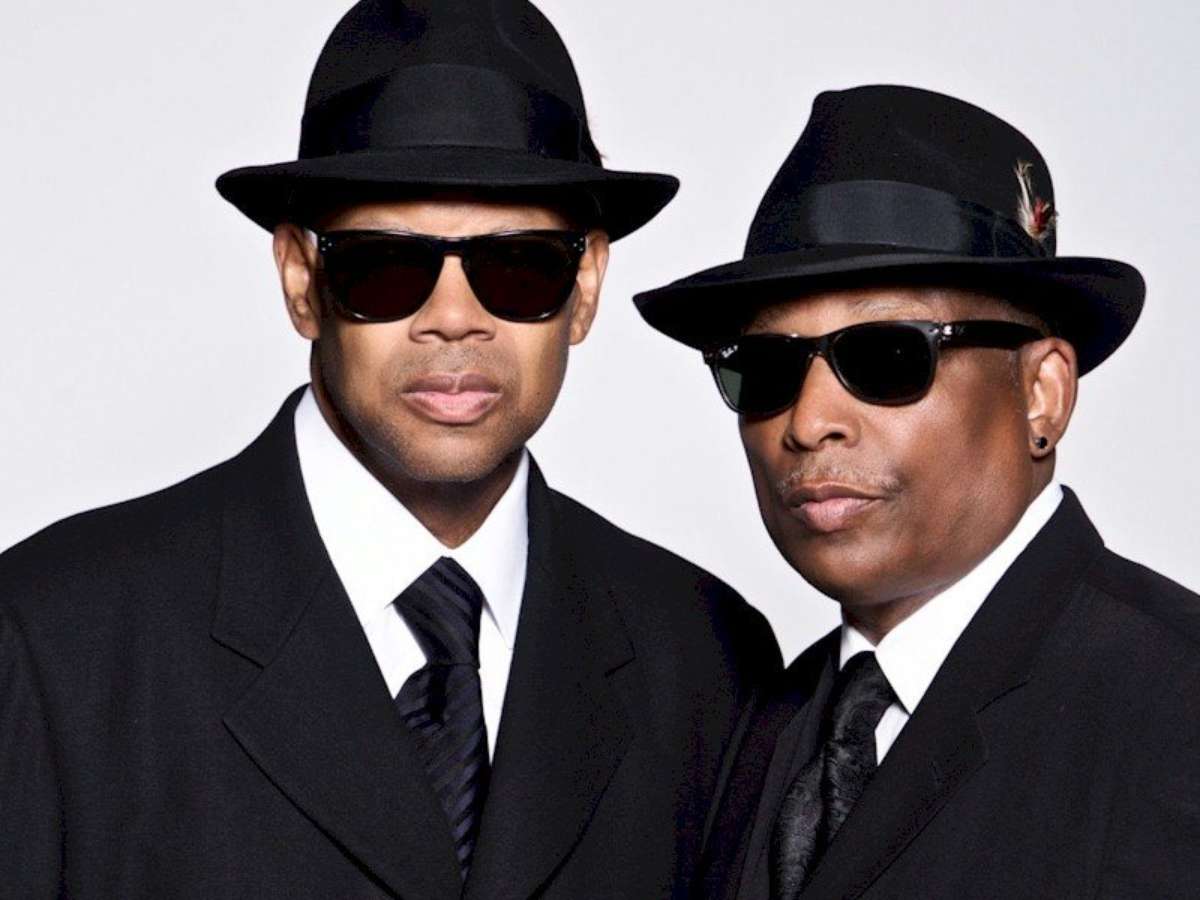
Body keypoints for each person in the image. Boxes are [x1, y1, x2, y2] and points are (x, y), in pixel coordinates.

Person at [0, 2, 780, 897]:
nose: (453, 319)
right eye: (384, 268)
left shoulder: (702, 656)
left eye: (519, 267)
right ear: (301, 280)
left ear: (587, 285)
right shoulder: (56, 637)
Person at [635, 84, 1200, 898]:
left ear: (1042, 393)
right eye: (766, 368)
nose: (809, 421)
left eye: (888, 356)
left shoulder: (1173, 705)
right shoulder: (750, 729)